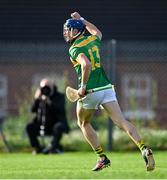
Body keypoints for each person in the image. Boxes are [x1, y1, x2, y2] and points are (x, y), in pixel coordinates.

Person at [63, 12, 155, 171]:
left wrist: (83, 87)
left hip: (90, 91)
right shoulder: (93, 40)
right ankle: (143, 147)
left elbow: (86, 65)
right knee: (121, 122)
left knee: (83, 123)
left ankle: (102, 158)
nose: (66, 32)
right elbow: (97, 32)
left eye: (69, 29)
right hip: (106, 88)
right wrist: (82, 20)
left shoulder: (74, 48)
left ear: (76, 31)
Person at [26, 78, 69, 154]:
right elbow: (32, 110)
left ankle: (53, 148)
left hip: (55, 124)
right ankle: (37, 148)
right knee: (30, 127)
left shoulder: (59, 96)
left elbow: (60, 110)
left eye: (47, 86)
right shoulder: (39, 98)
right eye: (43, 87)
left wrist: (48, 100)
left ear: (52, 86)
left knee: (58, 127)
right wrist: (36, 99)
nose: (45, 89)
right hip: (41, 124)